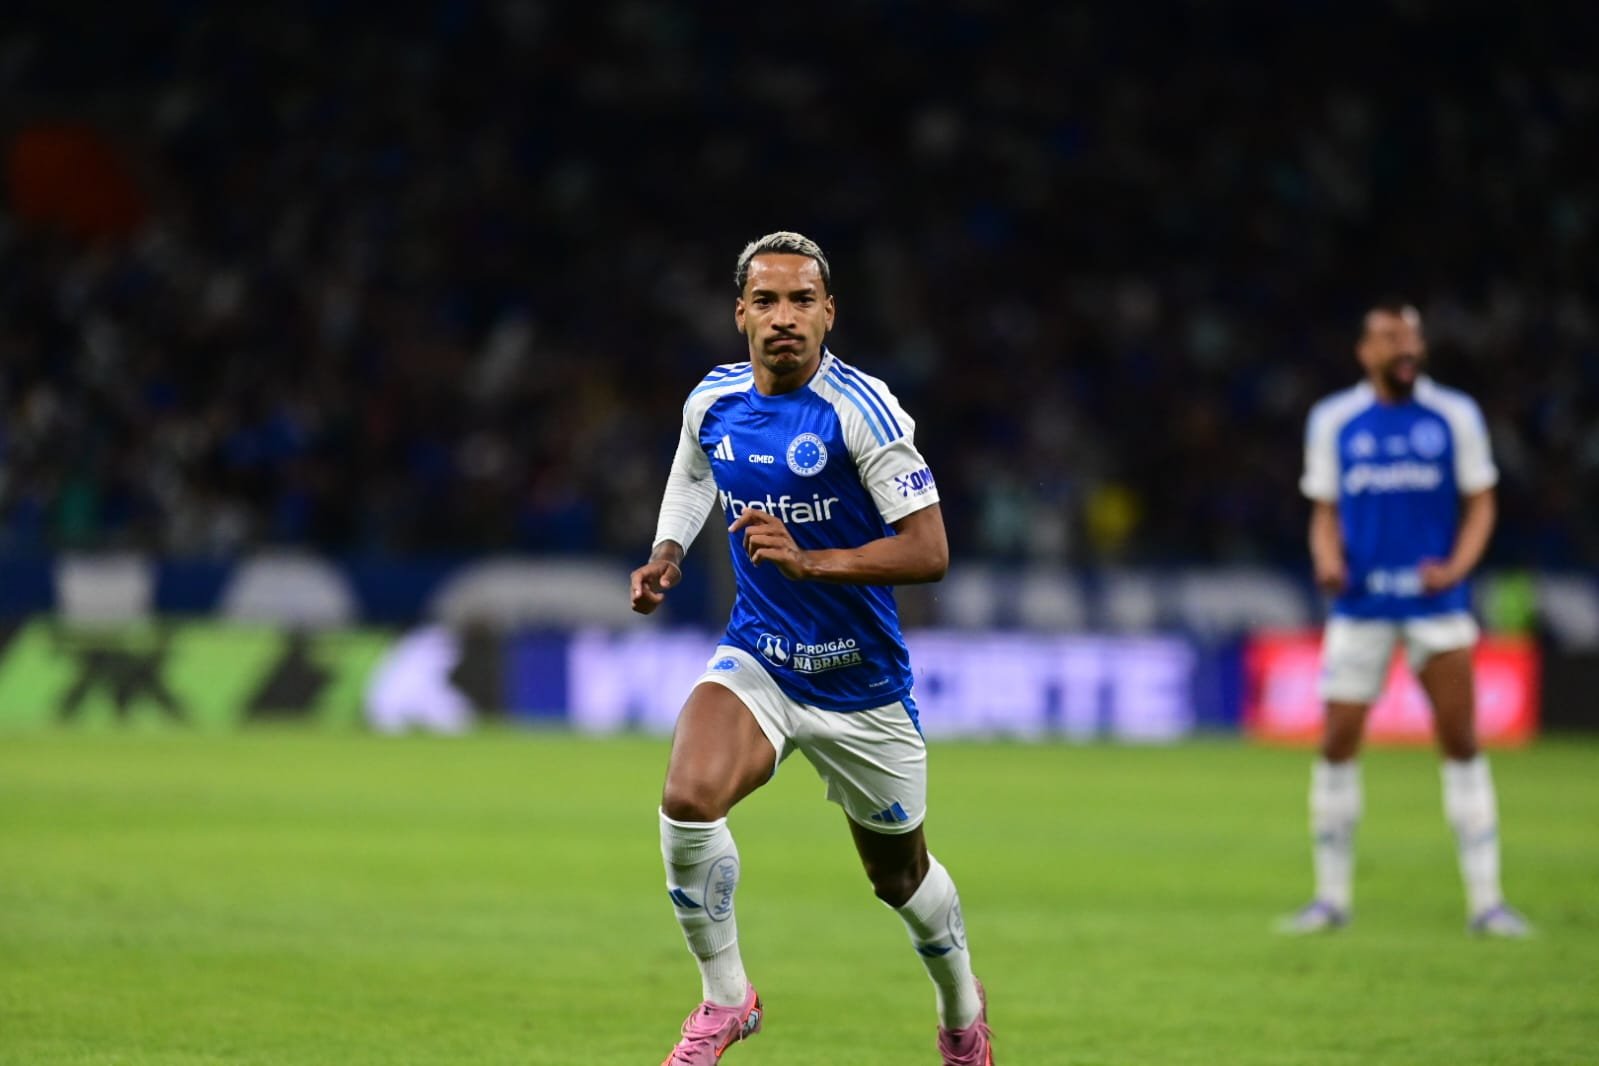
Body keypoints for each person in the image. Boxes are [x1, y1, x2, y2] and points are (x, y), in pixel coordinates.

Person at [630, 231, 994, 1065]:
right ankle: (727, 999)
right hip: (761, 660)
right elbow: (694, 472)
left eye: (801, 300)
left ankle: (962, 1014)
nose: (784, 317)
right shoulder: (713, 400)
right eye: (766, 301)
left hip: (861, 684)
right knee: (687, 797)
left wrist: (811, 561)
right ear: (740, 315)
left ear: (829, 313)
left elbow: (929, 550)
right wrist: (668, 552)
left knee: (898, 880)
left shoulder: (863, 410)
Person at [1279, 300, 1531, 938]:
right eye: (1392, 338)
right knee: (1337, 742)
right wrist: (1327, 560)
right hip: (1361, 605)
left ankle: (1487, 904)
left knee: (1461, 739)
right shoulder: (1335, 419)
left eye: (1413, 337)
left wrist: (1457, 567)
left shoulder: (1454, 415)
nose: (1407, 348)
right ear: (1366, 351)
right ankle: (1330, 900)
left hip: (1435, 607)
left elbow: (1481, 504)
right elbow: (1323, 511)